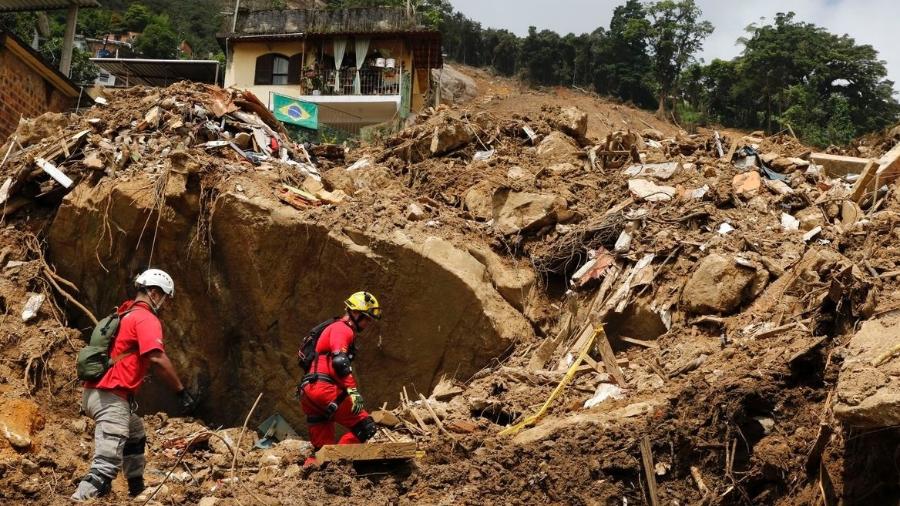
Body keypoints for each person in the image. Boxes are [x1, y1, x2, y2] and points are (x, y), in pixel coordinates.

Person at [71, 269, 197, 501]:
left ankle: (137, 489)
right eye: (166, 297)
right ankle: (81, 499)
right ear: (154, 293)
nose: (167, 304)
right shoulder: (146, 318)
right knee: (105, 465)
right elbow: (157, 358)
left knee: (135, 432)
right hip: (111, 397)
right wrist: (181, 391)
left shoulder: (123, 314)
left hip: (94, 394)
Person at [299, 291, 382, 465]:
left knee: (323, 451)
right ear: (356, 313)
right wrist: (353, 391)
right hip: (325, 390)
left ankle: (314, 475)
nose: (368, 324)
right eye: (367, 318)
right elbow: (340, 361)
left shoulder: (332, 328)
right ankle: (343, 463)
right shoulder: (342, 329)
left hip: (308, 393)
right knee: (366, 428)